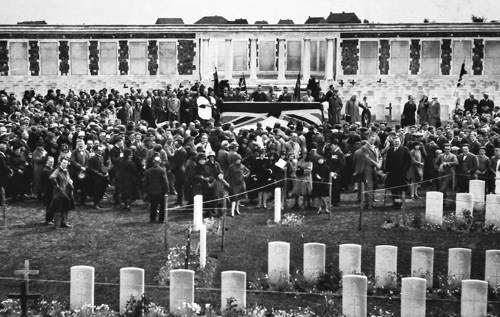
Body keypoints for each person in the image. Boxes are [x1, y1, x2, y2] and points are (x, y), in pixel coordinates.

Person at [385, 137, 411, 208]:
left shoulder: (405, 149)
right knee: (394, 189)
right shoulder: (390, 150)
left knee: (401, 189)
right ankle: (395, 203)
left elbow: (409, 161)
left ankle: (400, 204)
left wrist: (405, 170)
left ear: (400, 142)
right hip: (392, 173)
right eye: (395, 141)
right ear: (393, 142)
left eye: (398, 141)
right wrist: (387, 170)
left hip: (401, 173)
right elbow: (387, 161)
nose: (397, 143)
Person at [49, 157, 74, 229]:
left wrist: (70, 181)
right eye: (63, 163)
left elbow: (68, 179)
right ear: (60, 163)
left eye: (66, 163)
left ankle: (64, 223)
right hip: (59, 193)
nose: (65, 164)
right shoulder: (57, 170)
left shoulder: (66, 171)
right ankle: (57, 224)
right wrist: (57, 185)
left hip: (66, 192)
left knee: (65, 207)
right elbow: (52, 177)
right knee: (58, 209)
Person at [143, 156, 169, 223]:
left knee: (153, 206)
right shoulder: (162, 171)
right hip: (161, 191)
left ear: (153, 162)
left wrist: (146, 191)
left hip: (151, 191)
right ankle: (161, 219)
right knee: (162, 206)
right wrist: (166, 190)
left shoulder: (148, 171)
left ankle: (152, 219)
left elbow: (145, 182)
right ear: (159, 162)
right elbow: (165, 182)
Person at [87, 145, 109, 209]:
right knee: (96, 191)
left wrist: (106, 172)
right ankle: (95, 204)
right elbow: (90, 168)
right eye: (99, 150)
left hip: (102, 177)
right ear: (96, 150)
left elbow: (103, 166)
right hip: (95, 177)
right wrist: (98, 173)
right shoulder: (92, 158)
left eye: (102, 150)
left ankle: (99, 203)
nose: (101, 151)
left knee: (102, 190)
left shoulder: (102, 157)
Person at [41, 156, 55, 224]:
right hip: (48, 190)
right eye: (50, 162)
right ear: (47, 162)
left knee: (52, 205)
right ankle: (48, 220)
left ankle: (51, 218)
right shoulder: (45, 170)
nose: (52, 163)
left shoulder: (51, 169)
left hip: (51, 189)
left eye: (52, 162)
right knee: (49, 205)